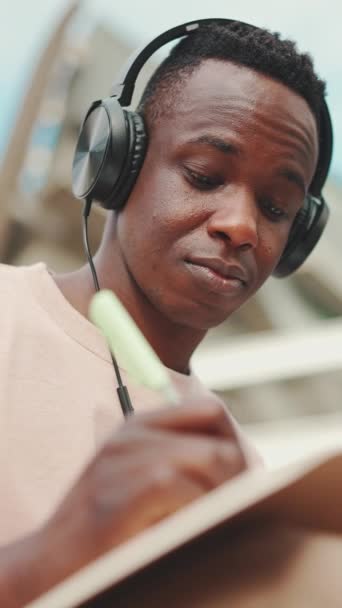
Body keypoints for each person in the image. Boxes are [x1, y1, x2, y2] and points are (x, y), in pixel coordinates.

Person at [0, 19, 331, 607]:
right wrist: (63, 545)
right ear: (116, 163)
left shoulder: (232, 469)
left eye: (277, 208)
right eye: (204, 176)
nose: (242, 225)